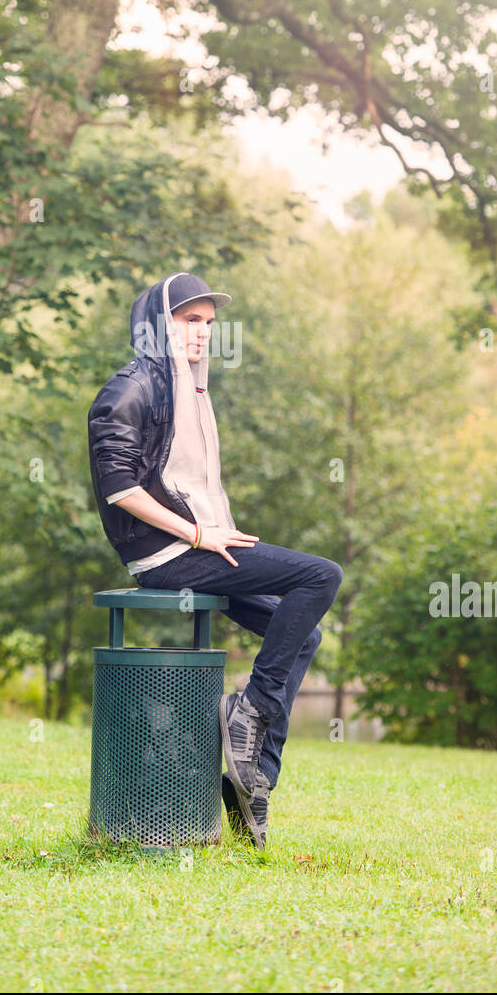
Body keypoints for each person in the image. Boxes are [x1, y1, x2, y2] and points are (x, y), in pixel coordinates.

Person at [87, 271, 343, 849]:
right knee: (322, 575)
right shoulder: (129, 388)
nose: (202, 332)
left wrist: (216, 531)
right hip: (167, 554)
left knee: (303, 636)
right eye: (188, 320)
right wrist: (200, 535)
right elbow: (120, 488)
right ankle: (247, 710)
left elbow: (192, 480)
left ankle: (251, 780)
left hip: (202, 543)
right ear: (157, 326)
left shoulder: (192, 391)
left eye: (208, 322)